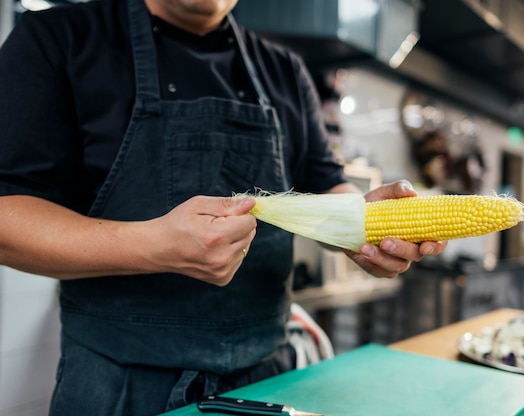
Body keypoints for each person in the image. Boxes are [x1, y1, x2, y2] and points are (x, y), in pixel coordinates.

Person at [0, 0, 448, 414]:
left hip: (268, 383)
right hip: (118, 386)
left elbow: (327, 185)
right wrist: (154, 245)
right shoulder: (58, 38)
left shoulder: (286, 71)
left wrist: (364, 222)